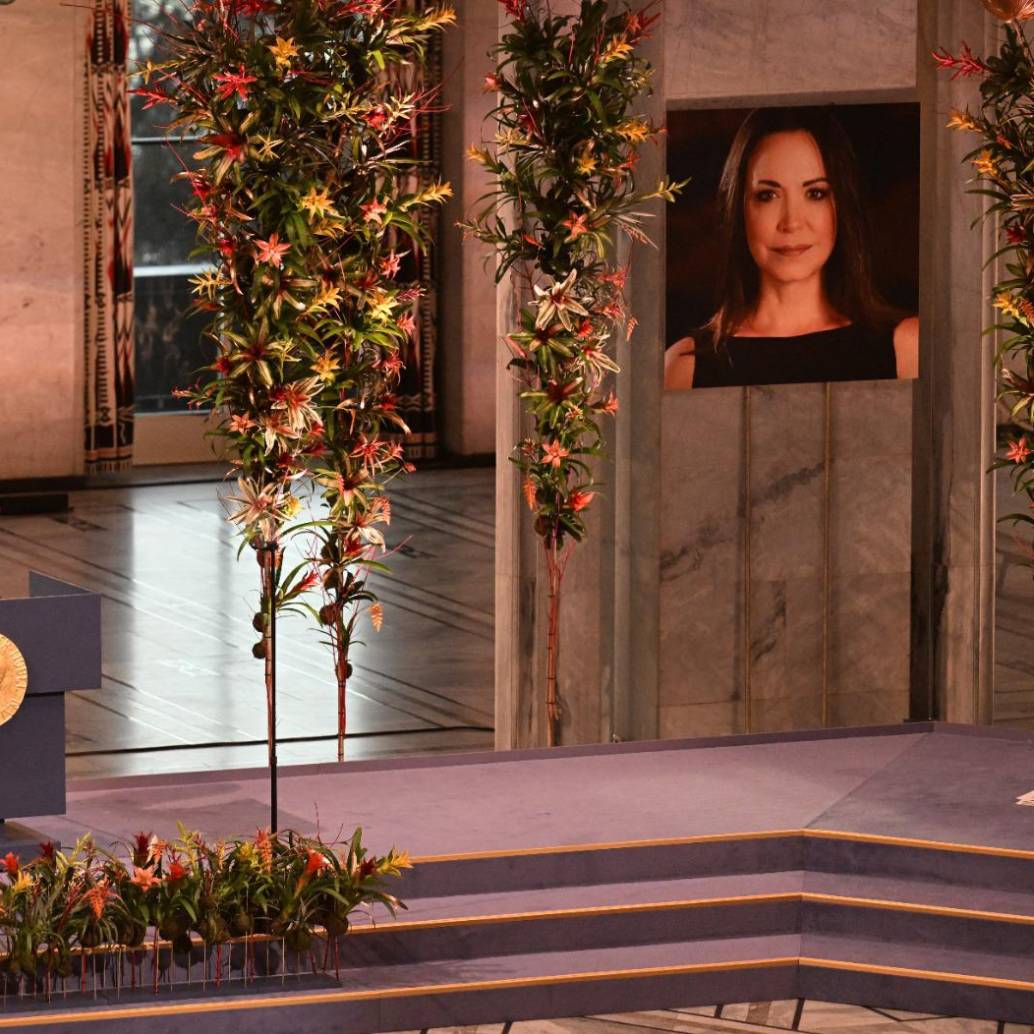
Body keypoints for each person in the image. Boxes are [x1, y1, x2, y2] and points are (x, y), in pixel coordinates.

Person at [664, 107, 918, 390]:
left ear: (841, 205)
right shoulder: (683, 369)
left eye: (815, 193)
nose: (792, 222)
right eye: (767, 195)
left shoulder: (906, 349)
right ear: (738, 209)